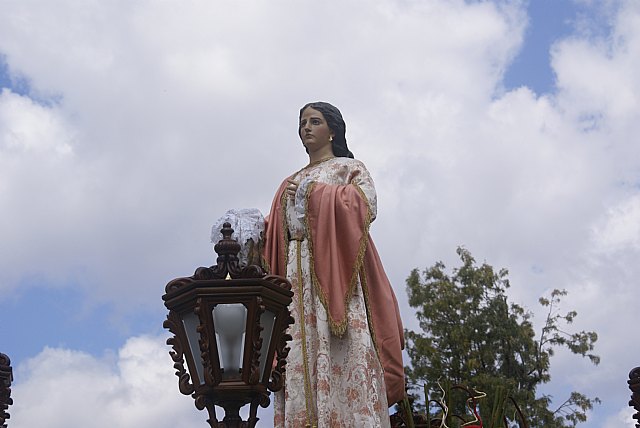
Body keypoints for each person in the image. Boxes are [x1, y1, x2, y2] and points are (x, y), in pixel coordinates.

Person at [263, 102, 405, 427]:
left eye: (315, 121)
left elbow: (365, 203)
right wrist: (250, 231)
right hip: (295, 280)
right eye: (303, 123)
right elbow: (275, 232)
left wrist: (315, 195)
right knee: (297, 352)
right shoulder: (289, 182)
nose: (307, 128)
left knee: (344, 347)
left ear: (333, 129)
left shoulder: (347, 168)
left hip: (336, 276)